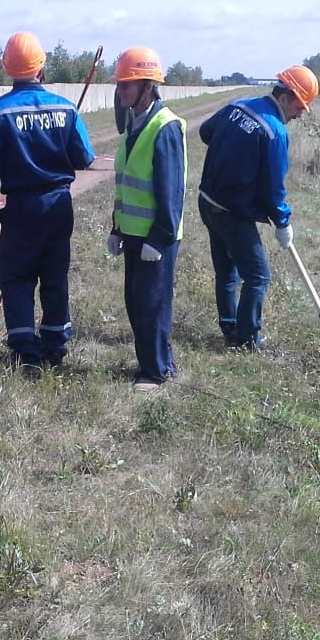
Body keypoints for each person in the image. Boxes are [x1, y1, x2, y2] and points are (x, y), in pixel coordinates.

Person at [0, 31, 94, 372]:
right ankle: (55, 346)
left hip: (22, 208)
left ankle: (26, 350)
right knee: (55, 274)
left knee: (17, 277)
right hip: (58, 205)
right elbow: (84, 157)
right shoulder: (66, 108)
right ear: (42, 67)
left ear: (7, 67)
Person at [196, 65, 320, 349]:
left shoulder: (237, 106)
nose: (300, 113)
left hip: (207, 202)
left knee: (227, 272)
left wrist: (232, 150)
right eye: (300, 106)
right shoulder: (274, 131)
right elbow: (273, 188)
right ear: (287, 96)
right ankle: (247, 338)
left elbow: (205, 132)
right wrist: (283, 221)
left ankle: (230, 326)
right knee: (257, 276)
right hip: (232, 214)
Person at [105, 46, 187, 391]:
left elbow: (172, 190)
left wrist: (159, 237)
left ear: (148, 86)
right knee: (136, 302)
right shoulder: (135, 125)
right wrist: (116, 227)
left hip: (156, 237)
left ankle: (155, 372)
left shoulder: (164, 127)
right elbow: (128, 184)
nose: (120, 92)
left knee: (152, 304)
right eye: (120, 85)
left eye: (127, 85)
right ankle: (154, 362)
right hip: (134, 233)